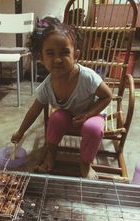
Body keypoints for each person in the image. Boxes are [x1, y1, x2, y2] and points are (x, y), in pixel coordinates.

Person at [11, 22, 112, 179]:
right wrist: (20, 131)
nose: (57, 60)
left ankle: (85, 163)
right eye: (50, 53)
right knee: (56, 119)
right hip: (68, 114)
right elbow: (34, 110)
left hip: (92, 113)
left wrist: (88, 114)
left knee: (93, 128)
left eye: (64, 53)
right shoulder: (47, 86)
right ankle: (51, 153)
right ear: (41, 58)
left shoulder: (86, 76)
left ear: (76, 55)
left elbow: (107, 96)